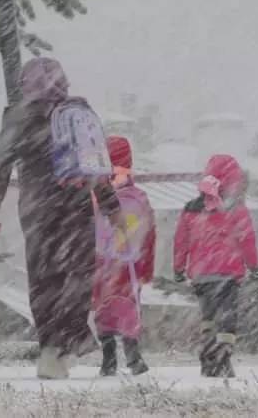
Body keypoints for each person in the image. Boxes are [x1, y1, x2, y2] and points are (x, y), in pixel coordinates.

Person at [0, 57, 121, 379]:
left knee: (44, 280)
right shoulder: (78, 112)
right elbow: (96, 167)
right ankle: (71, 339)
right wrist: (111, 207)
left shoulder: (18, 118)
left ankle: (50, 350)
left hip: (37, 210)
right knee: (78, 277)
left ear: (25, 85)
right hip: (76, 206)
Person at [173, 155, 258, 378]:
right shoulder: (236, 209)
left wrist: (179, 267)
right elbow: (247, 241)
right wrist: (254, 266)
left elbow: (181, 241)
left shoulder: (191, 209)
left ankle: (208, 355)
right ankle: (224, 356)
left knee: (208, 316)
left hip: (201, 275)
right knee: (227, 317)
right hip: (228, 275)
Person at [92, 136, 156, 377]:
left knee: (104, 309)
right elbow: (149, 234)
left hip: (102, 265)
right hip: (130, 265)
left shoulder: (96, 195)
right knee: (129, 309)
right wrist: (146, 267)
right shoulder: (138, 197)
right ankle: (133, 356)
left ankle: (108, 359)